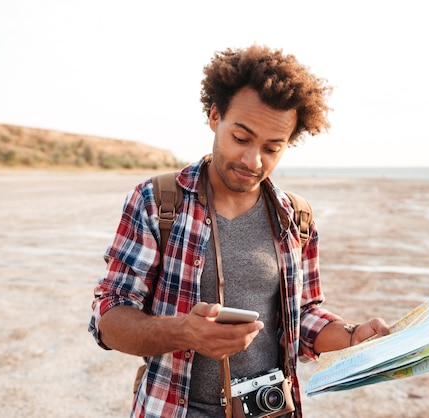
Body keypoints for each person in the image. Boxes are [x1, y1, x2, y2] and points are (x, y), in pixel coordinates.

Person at [89, 45, 389, 418]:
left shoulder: (296, 218)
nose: (253, 161)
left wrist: (351, 335)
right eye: (242, 139)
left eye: (271, 148)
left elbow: (303, 316)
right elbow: (109, 318)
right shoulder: (156, 201)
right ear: (215, 116)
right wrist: (185, 331)